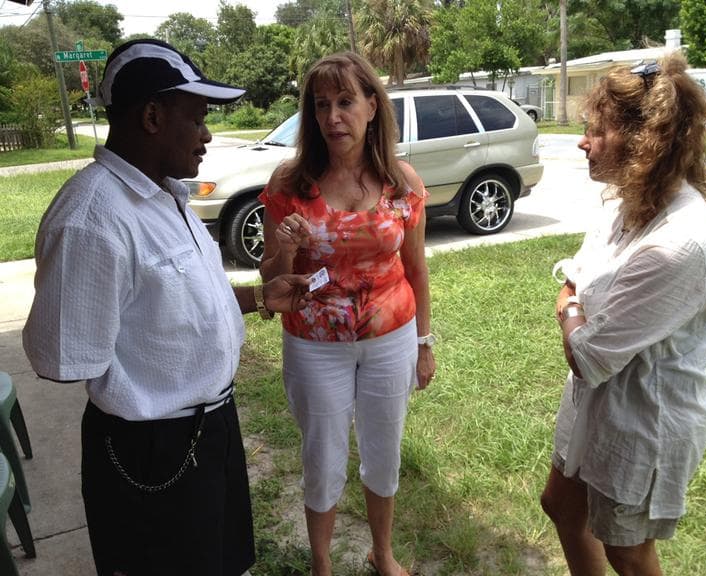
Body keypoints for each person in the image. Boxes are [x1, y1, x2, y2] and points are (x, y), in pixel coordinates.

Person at [22, 39, 312, 576]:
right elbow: (62, 358)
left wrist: (257, 298)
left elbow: (164, 304)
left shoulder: (165, 196)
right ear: (152, 116)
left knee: (221, 561)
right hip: (151, 448)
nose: (207, 135)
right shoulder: (94, 220)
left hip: (210, 427)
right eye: (198, 118)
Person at [539, 53, 706, 575]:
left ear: (644, 140)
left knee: (626, 548)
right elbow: (579, 270)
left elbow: (590, 355)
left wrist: (570, 306)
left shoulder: (681, 241)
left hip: (644, 422)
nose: (582, 142)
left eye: (594, 131)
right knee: (560, 506)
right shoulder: (625, 205)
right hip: (597, 407)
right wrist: (576, 304)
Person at [259, 51, 435, 576]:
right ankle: (321, 564)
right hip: (314, 344)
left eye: (344, 102)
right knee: (323, 457)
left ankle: (382, 553)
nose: (333, 117)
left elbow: (417, 270)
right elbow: (271, 280)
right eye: (320, 105)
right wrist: (287, 248)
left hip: (391, 337)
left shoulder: (401, 182)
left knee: (383, 451)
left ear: (372, 107)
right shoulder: (291, 183)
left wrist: (425, 344)